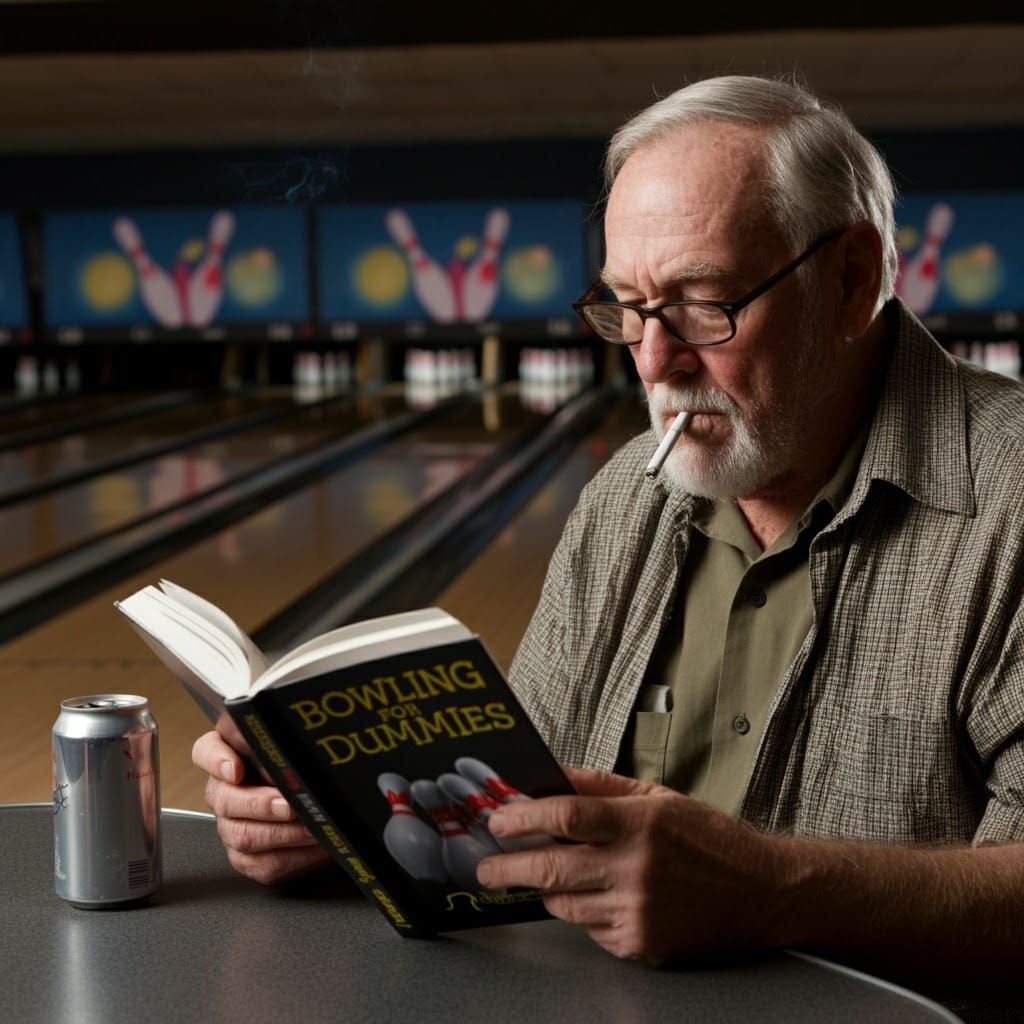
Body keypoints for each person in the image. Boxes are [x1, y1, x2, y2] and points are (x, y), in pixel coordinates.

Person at [193, 75, 1024, 987]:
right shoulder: (628, 496)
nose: (654, 359)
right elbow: (522, 810)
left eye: (703, 303)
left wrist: (772, 890)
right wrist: (343, 827)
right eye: (626, 309)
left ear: (852, 281)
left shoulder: (1009, 500)